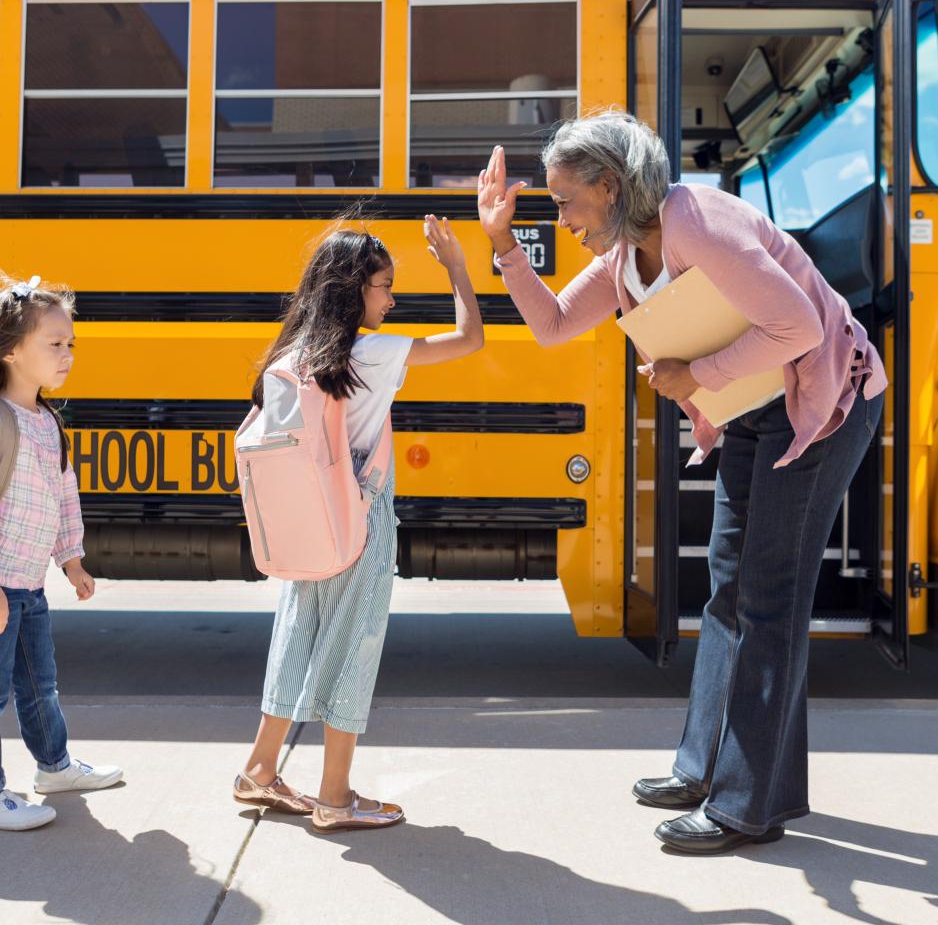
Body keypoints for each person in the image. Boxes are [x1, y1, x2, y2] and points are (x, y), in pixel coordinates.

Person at [477, 112, 886, 854]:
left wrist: (693, 376)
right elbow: (554, 324)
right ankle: (705, 770)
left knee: (769, 597)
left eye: (565, 201)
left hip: (824, 404)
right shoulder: (626, 255)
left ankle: (744, 807)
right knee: (726, 587)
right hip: (756, 407)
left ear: (609, 185)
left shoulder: (695, 222)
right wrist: (502, 242)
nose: (560, 217)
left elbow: (798, 328)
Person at [235, 217, 483, 832]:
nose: (391, 299)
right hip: (358, 521)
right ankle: (335, 796)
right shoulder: (369, 354)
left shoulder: (290, 357)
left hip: (304, 522)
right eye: (384, 286)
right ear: (352, 289)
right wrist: (456, 266)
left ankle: (260, 770)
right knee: (354, 649)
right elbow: (469, 340)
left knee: (296, 635)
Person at [0, 277, 123, 832]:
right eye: (54, 344)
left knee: (39, 685)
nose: (67, 354)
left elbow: (63, 494)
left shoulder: (47, 421)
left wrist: (71, 559)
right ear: (9, 350)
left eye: (70, 344)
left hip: (28, 586)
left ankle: (54, 767)